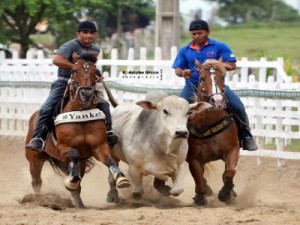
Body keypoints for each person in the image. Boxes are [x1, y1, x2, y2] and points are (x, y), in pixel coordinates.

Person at [26, 20, 118, 152]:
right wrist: (75, 67)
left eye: (91, 33)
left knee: (104, 104)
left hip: (85, 85)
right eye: (85, 32)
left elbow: (90, 66)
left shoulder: (95, 50)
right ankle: (38, 138)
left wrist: (96, 75)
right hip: (64, 82)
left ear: (95, 35)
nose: (88, 35)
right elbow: (56, 60)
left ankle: (109, 132)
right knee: (47, 108)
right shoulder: (70, 46)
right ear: (78, 34)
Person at [172, 19, 258, 151]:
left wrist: (216, 65)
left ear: (208, 32)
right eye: (193, 34)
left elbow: (232, 64)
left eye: (199, 33)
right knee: (178, 109)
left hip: (215, 86)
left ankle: (246, 136)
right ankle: (174, 142)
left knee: (238, 106)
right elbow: (177, 69)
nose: (196, 36)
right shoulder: (184, 50)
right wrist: (183, 72)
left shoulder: (220, 46)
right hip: (192, 86)